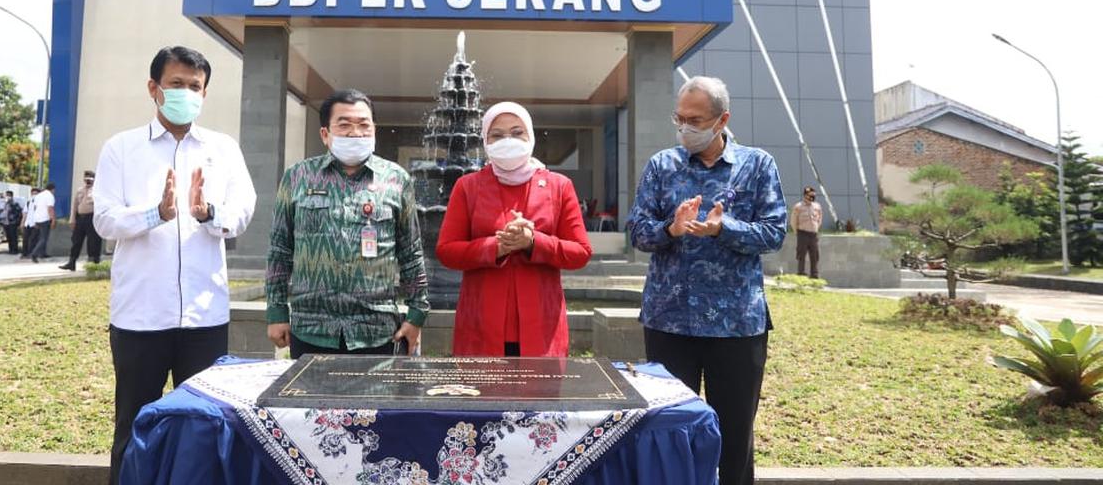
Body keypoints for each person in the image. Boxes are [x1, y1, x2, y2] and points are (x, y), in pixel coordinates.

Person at [93, 45, 256, 485]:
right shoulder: (121, 148)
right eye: (177, 84)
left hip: (204, 316)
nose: (186, 93)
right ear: (154, 88)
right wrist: (155, 214)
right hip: (140, 316)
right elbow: (104, 218)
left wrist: (208, 213)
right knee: (133, 422)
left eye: (195, 86)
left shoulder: (223, 149)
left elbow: (243, 211)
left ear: (205, 93)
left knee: (206, 425)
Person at [627, 76, 786, 485]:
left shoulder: (756, 165)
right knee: (667, 430)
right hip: (669, 321)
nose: (685, 128)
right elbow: (638, 231)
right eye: (679, 118)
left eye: (695, 119)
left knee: (734, 436)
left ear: (722, 120)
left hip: (735, 324)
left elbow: (774, 232)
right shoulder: (662, 165)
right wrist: (671, 229)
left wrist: (724, 229)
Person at [266, 89, 429, 359]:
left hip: (377, 329)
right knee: (310, 401)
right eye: (344, 125)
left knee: (374, 401)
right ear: (325, 134)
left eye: (363, 125)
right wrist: (276, 311)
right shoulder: (298, 177)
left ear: (374, 130)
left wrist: (416, 314)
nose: (355, 133)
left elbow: (411, 252)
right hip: (311, 327)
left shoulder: (396, 179)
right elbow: (280, 249)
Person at [437, 101, 592, 357]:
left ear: (530, 136)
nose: (507, 140)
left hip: (541, 325)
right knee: (482, 395)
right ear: (485, 141)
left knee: (539, 395)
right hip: (481, 324)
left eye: (517, 132)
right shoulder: (468, 186)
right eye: (497, 135)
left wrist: (534, 242)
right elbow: (446, 251)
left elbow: (580, 252)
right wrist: (495, 247)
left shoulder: (559, 186)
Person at [60, 170, 102, 271]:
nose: (87, 181)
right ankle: (72, 262)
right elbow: (74, 206)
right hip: (80, 218)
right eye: (86, 179)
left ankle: (93, 262)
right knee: (76, 240)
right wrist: (72, 218)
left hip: (92, 218)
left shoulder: (97, 190)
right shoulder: (80, 190)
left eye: (89, 179)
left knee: (93, 241)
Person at [791, 186, 823, 278]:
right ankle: (801, 273)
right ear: (805, 195)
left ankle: (814, 274)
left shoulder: (817, 206)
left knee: (815, 255)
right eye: (810, 195)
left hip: (813, 234)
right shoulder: (798, 206)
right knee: (801, 254)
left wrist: (815, 229)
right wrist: (797, 232)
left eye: (813, 195)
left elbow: (819, 219)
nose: (812, 197)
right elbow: (793, 221)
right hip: (802, 233)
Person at [25, 183, 56, 264]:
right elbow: (50, 209)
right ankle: (34, 254)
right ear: (52, 189)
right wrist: (53, 219)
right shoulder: (50, 196)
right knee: (43, 238)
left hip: (37, 219)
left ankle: (41, 253)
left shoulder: (38, 196)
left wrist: (35, 220)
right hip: (45, 219)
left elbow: (35, 208)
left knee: (40, 237)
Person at [1, 190, 22, 255]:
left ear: (12, 196)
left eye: (9, 195)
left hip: (12, 223)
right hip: (6, 223)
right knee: (9, 237)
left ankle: (15, 250)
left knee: (13, 237)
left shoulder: (15, 203)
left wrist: (16, 221)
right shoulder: (4, 204)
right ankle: (10, 249)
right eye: (6, 195)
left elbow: (19, 213)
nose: (7, 197)